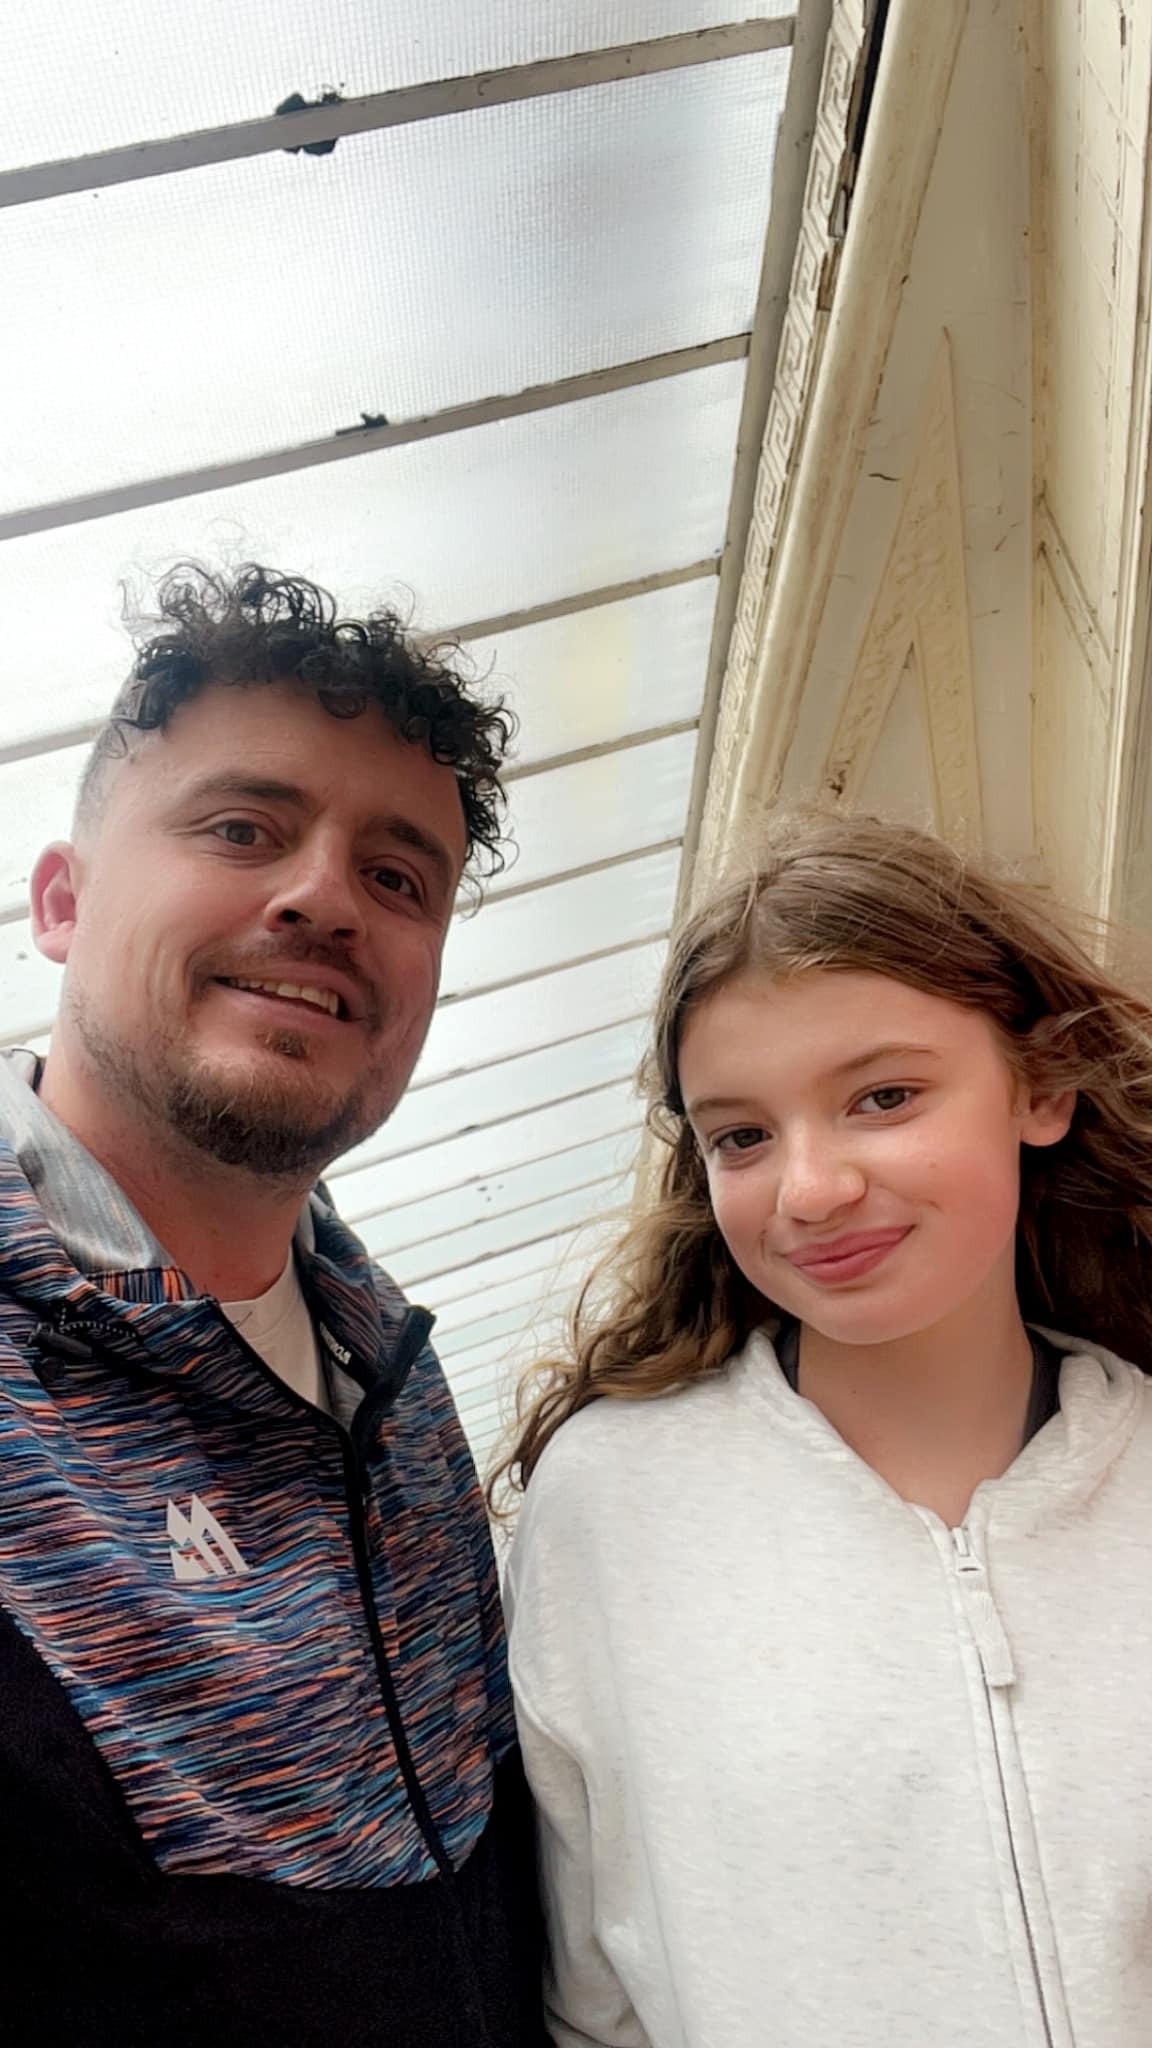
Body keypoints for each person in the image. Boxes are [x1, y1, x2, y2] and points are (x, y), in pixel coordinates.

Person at [500, 810, 1152, 2048]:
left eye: (883, 1096)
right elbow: (594, 1991)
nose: (811, 1187)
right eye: (742, 1134)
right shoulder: (608, 1506)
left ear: (1043, 1085)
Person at [0, 563, 543, 2046]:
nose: (324, 899)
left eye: (399, 878)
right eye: (242, 828)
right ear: (60, 901)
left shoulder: (392, 1375)